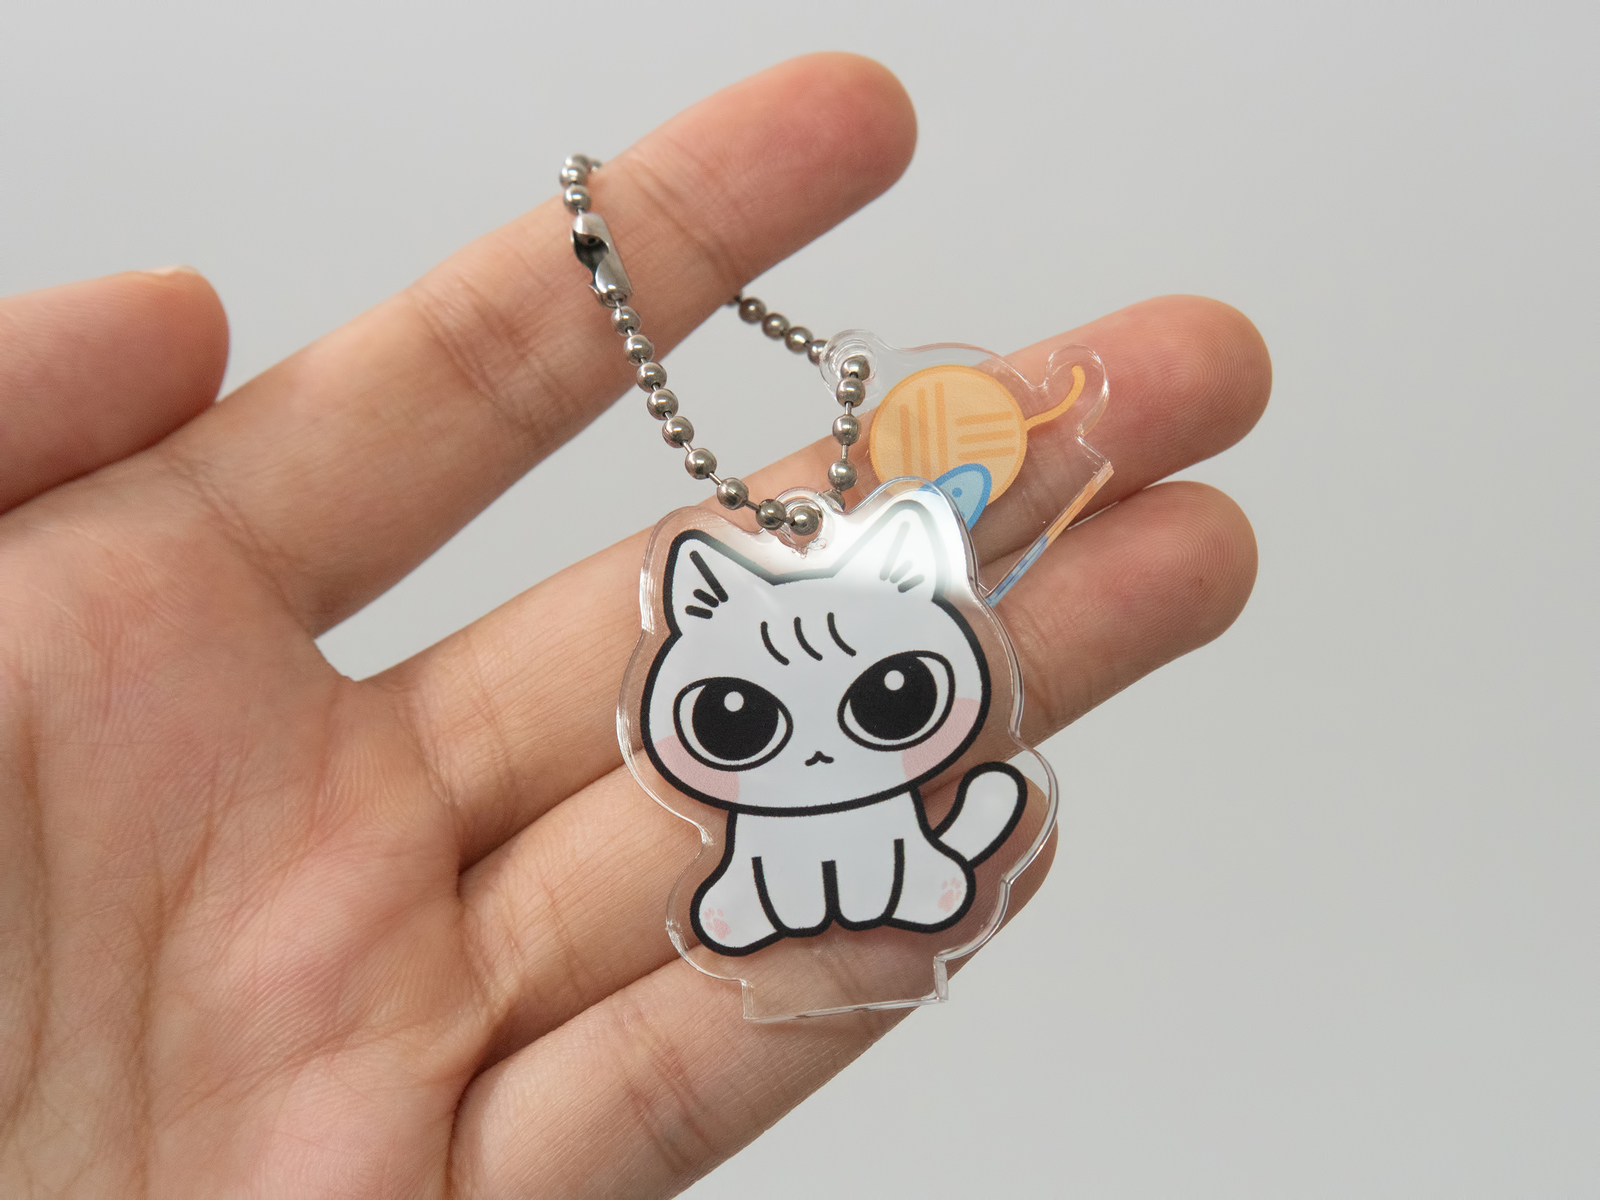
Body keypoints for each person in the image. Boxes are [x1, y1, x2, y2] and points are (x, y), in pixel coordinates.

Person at [0, 53, 1268, 1197]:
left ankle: (937, 859)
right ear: (696, 647)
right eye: (741, 716)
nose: (815, 741)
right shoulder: (706, 582)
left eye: (888, 701)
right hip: (759, 853)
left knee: (893, 863)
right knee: (766, 876)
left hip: (896, 842)